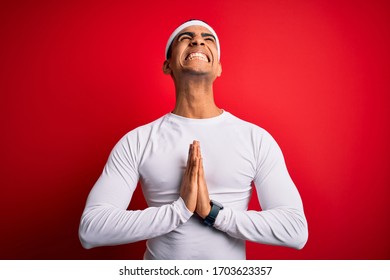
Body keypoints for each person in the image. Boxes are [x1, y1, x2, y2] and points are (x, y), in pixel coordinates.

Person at [79, 19, 308, 259]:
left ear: (218, 67)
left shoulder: (256, 139)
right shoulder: (137, 141)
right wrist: (180, 210)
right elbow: (91, 229)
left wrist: (212, 213)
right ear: (168, 66)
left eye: (208, 39)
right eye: (185, 38)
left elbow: (294, 230)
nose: (197, 40)